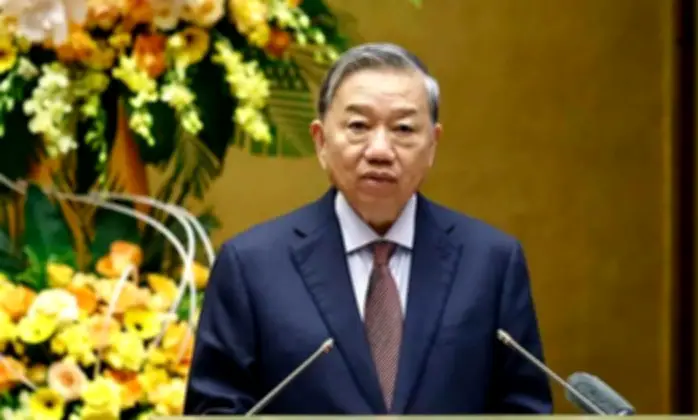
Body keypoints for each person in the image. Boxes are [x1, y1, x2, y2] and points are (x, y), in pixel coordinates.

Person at [183, 42, 553, 415]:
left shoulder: (491, 262)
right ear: (321, 141)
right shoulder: (251, 265)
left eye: (403, 128)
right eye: (358, 126)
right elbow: (215, 410)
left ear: (432, 145)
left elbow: (524, 409)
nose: (379, 150)